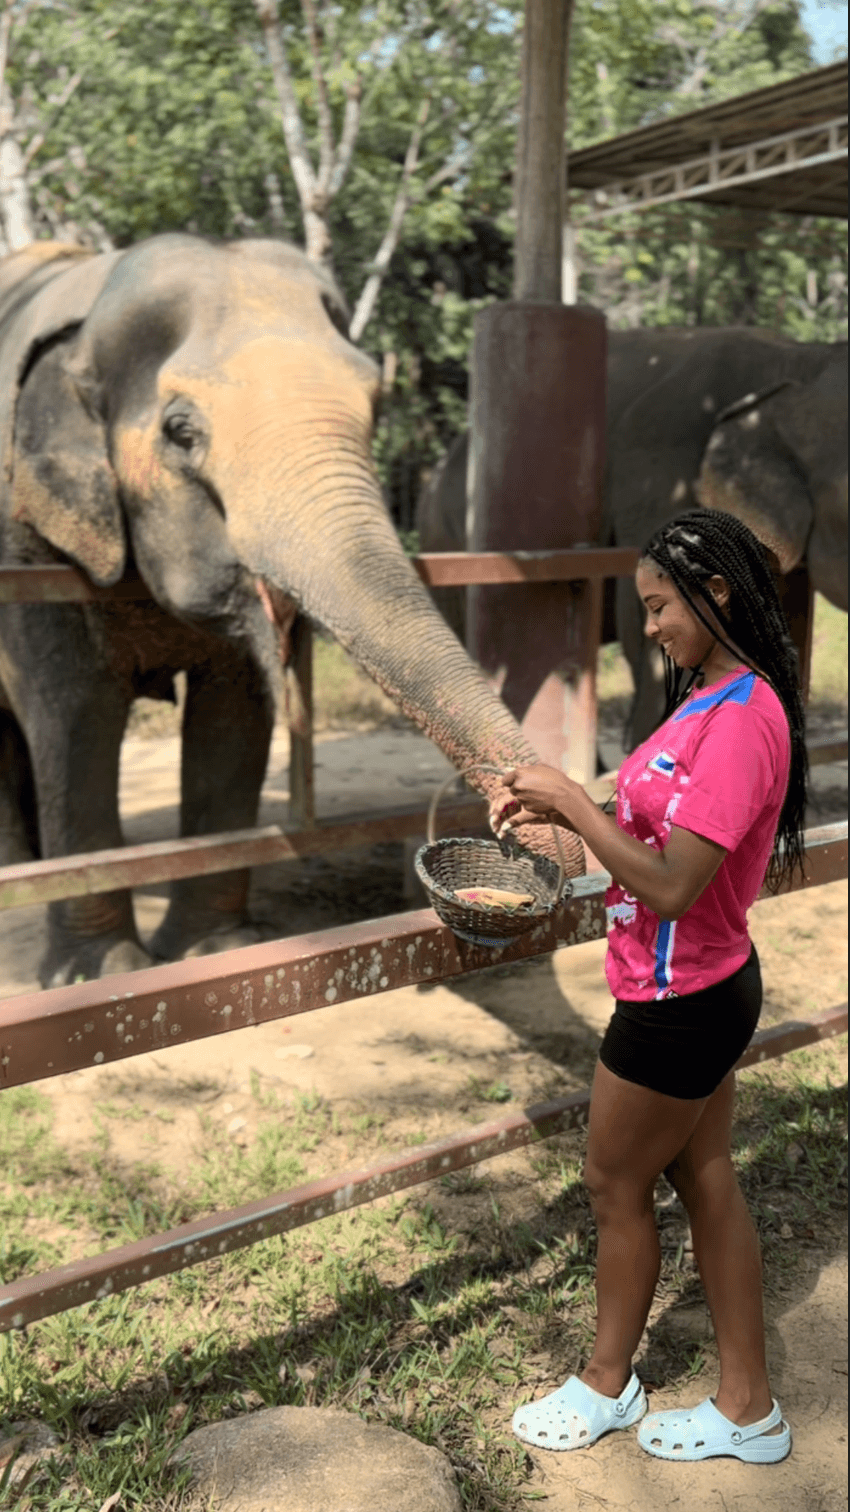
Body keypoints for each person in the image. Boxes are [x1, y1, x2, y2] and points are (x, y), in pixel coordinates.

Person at [490, 508, 806, 1465]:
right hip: (694, 986)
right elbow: (657, 813)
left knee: (612, 1182)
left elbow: (672, 884)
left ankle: (605, 1383)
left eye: (663, 606)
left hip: (682, 1004)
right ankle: (746, 1409)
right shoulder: (709, 695)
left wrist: (576, 806)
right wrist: (560, 799)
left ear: (717, 596)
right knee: (705, 1178)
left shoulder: (746, 719)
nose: (652, 626)